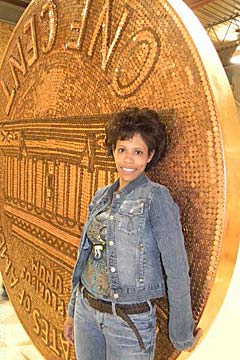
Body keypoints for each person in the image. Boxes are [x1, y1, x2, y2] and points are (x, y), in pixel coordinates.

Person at [64, 107, 202, 360]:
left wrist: (181, 334)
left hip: (127, 324)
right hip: (87, 312)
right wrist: (73, 311)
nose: (128, 160)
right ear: (113, 151)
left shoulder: (155, 198)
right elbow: (85, 258)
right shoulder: (101, 196)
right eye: (122, 150)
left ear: (150, 155)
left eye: (137, 152)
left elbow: (177, 268)